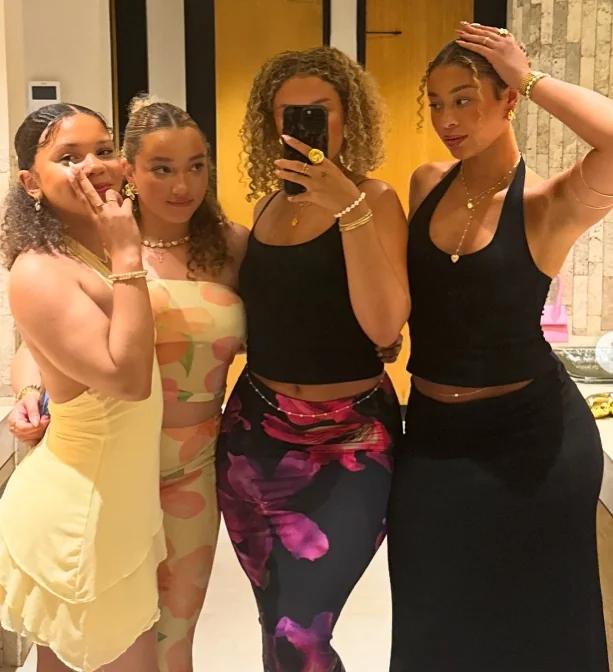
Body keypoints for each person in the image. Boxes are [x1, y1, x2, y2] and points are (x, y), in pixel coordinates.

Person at [388, 23, 611, 671]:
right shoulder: (425, 183)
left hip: (532, 443)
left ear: (507, 99)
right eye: (436, 103)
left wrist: (530, 75)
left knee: (537, 627)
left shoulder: (547, 204)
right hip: (432, 436)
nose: (446, 120)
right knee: (431, 618)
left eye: (463, 100)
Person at [7, 97, 248, 672]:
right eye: (161, 168)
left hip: (191, 463)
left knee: (170, 638)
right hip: (107, 470)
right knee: (96, 646)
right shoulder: (101, 244)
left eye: (196, 165)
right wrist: (27, 393)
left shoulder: (232, 246)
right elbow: (39, 343)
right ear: (133, 171)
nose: (181, 184)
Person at [216, 46, 409, 671]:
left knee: (301, 628)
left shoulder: (374, 200)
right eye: (287, 113)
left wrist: (348, 208)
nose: (302, 124)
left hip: (352, 442)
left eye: (319, 110)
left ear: (347, 118)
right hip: (255, 437)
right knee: (276, 618)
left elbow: (384, 323)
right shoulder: (267, 208)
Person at [0, 103, 164, 671]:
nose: (92, 165)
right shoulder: (40, 269)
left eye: (103, 150)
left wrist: (29, 391)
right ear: (31, 182)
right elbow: (128, 379)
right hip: (81, 510)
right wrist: (128, 254)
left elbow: (38, 346)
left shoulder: (85, 251)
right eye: (68, 157)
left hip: (116, 499)